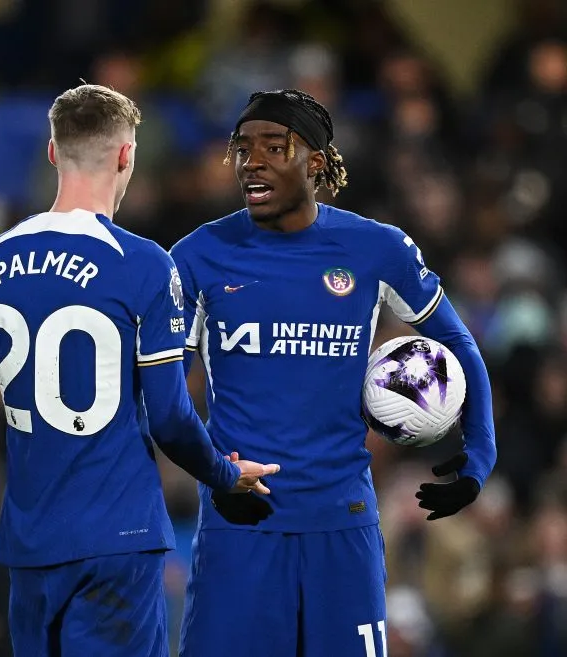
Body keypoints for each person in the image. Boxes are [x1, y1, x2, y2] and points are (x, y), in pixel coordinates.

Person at [0, 84, 280, 657]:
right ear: (127, 156)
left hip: (31, 549)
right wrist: (225, 475)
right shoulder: (145, 265)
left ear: (54, 153)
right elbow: (169, 418)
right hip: (119, 541)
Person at [170, 89, 497, 657]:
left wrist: (480, 453)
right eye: (243, 148)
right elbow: (161, 389)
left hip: (342, 525)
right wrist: (215, 471)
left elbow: (457, 341)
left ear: (315, 163)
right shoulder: (199, 255)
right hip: (241, 524)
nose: (253, 161)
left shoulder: (377, 248)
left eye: (274, 147)